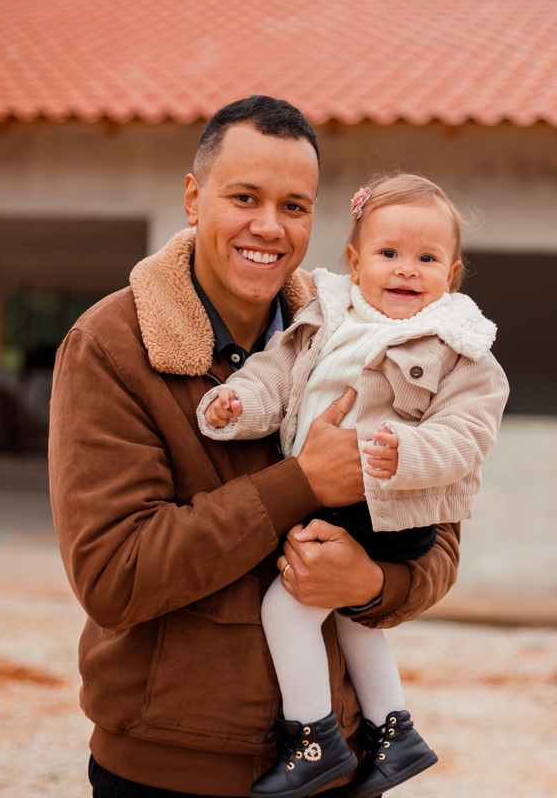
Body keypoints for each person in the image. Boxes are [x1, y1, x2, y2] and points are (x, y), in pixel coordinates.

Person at [49, 96, 462, 798]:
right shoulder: (111, 346)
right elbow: (114, 576)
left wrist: (370, 586)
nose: (269, 227)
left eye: (295, 207)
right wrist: (300, 483)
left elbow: (438, 539)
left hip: (338, 770)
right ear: (193, 198)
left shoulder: (367, 338)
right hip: (167, 772)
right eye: (245, 197)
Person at [198, 174, 509, 798]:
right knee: (348, 615)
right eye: (388, 253)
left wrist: (405, 454)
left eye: (427, 259)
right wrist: (239, 404)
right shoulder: (328, 317)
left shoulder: (459, 348)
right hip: (324, 489)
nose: (406, 270)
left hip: (385, 503)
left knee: (286, 608)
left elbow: (468, 433)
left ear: (451, 273)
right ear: (355, 261)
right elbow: (276, 374)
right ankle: (394, 733)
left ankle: (312, 737)